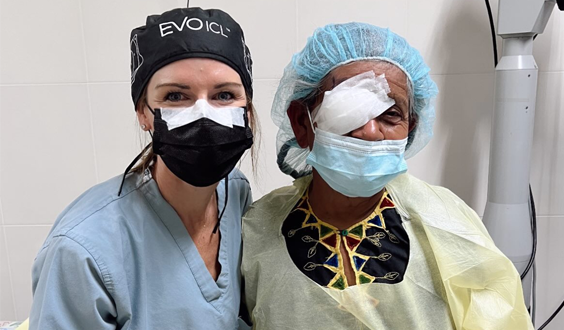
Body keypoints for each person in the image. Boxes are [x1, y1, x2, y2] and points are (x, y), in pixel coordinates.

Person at [241, 23, 533, 330]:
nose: (370, 131)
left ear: (410, 129)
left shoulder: (447, 225)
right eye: (349, 109)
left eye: (391, 114)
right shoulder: (255, 231)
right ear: (302, 123)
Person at [29, 6, 255, 329]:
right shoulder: (82, 251)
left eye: (224, 95)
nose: (204, 116)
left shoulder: (235, 192)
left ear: (246, 107)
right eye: (176, 95)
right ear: (143, 113)